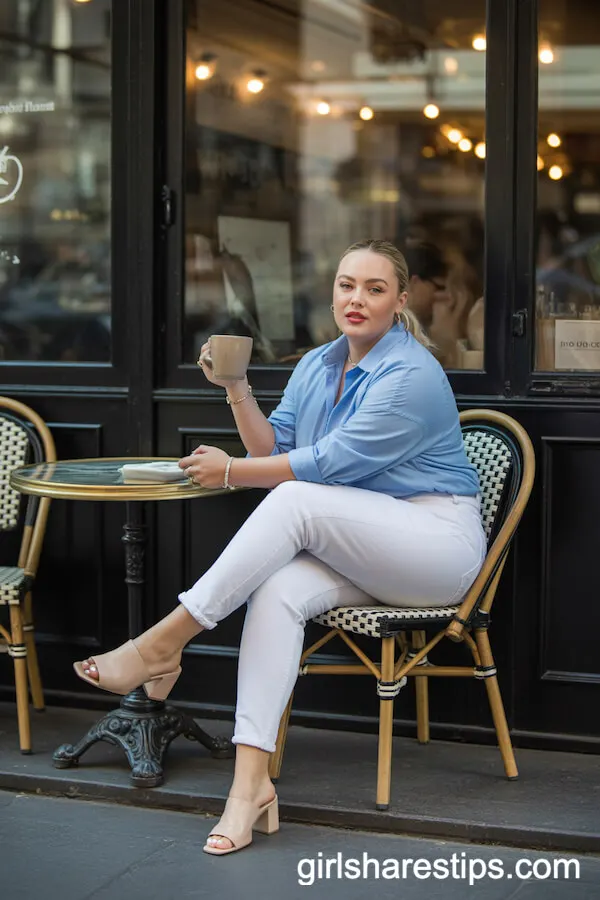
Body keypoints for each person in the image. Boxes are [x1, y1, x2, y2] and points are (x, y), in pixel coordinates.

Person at [73, 239, 486, 856]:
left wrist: (232, 473)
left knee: (292, 500)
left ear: (401, 301)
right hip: (363, 536)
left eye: (375, 289)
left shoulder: (413, 375)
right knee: (277, 590)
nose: (356, 299)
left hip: (436, 546)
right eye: (347, 284)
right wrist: (237, 386)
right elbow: (275, 449)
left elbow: (324, 466)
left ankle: (163, 642)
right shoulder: (318, 364)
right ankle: (249, 788)